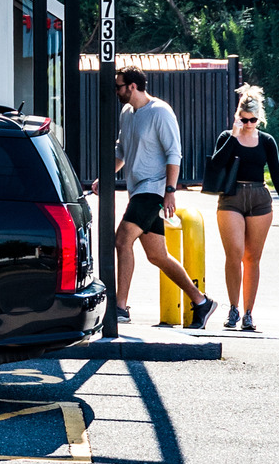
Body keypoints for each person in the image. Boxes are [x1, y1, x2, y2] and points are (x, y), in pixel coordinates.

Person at [92, 66, 218, 329]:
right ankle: (202, 302)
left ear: (133, 86)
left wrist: (170, 192)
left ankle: (120, 307)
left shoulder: (160, 111)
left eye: (119, 86)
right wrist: (105, 178)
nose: (116, 91)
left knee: (122, 239)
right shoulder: (128, 113)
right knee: (157, 255)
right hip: (137, 189)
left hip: (154, 190)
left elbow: (174, 153)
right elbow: (122, 150)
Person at [208, 84, 279, 332]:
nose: (248, 123)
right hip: (231, 197)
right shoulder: (227, 137)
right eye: (244, 119)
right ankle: (233, 308)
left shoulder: (267, 141)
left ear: (259, 117)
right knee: (234, 254)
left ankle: (248, 313)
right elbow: (216, 164)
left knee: (252, 258)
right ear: (237, 116)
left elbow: (276, 171)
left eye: (253, 119)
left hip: (259, 196)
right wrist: (233, 136)